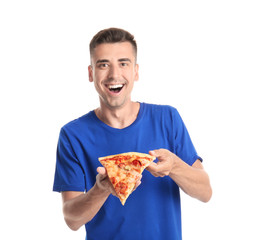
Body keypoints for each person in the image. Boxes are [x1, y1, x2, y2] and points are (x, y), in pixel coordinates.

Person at [53, 27, 212, 240]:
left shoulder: (168, 118)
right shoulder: (72, 135)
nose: (114, 75)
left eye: (123, 63)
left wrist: (174, 166)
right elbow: (71, 219)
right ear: (91, 73)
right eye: (103, 65)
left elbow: (205, 192)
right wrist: (101, 189)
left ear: (136, 71)